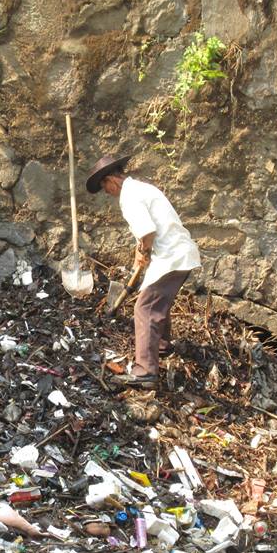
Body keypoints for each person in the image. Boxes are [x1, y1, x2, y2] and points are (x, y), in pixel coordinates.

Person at [86, 155, 201, 390]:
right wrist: (144, 251)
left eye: (104, 187)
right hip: (178, 254)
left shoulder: (129, 196)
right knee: (158, 302)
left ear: (111, 180)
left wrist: (141, 251)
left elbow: (147, 231)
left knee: (145, 308)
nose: (106, 193)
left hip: (172, 256)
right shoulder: (142, 188)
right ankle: (160, 345)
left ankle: (146, 371)